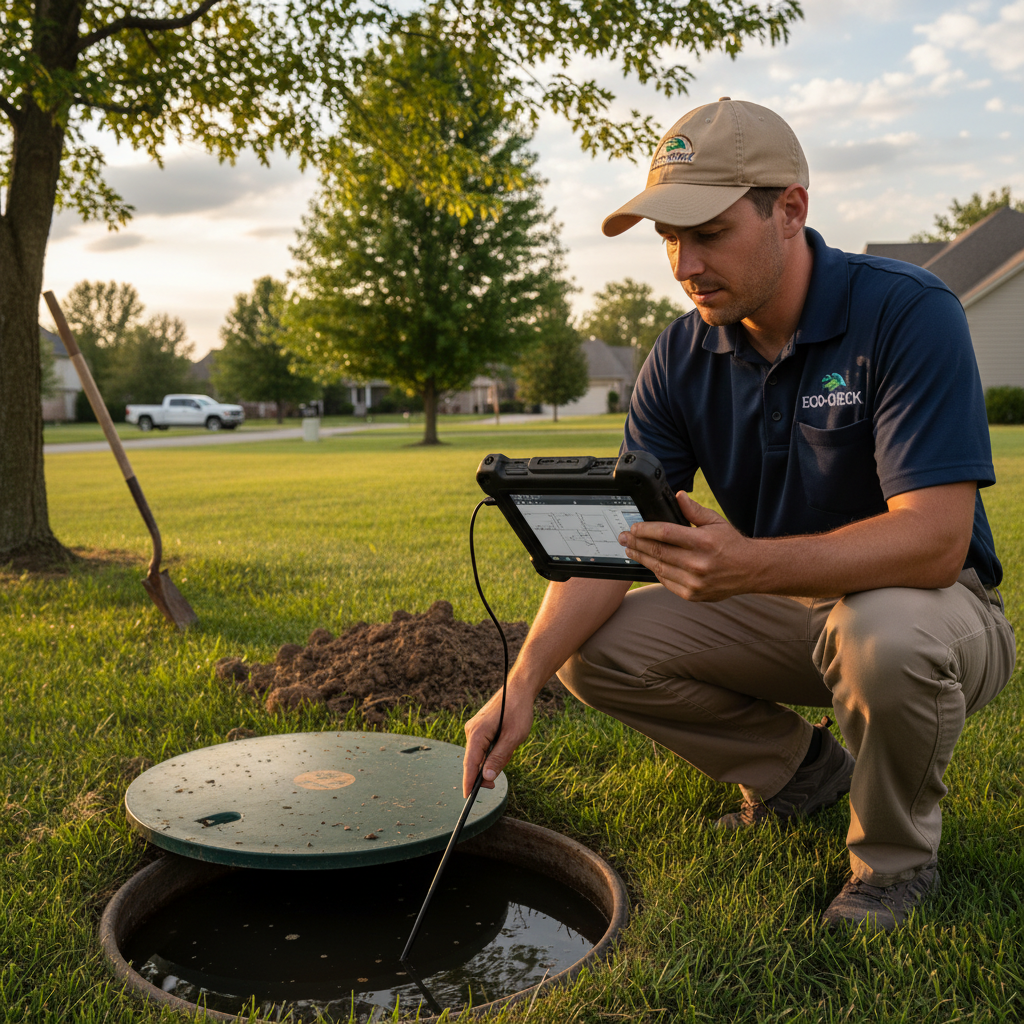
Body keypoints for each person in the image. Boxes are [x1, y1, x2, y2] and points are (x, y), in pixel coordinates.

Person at [462, 97, 1016, 931]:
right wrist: (521, 681)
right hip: (789, 609)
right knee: (589, 648)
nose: (685, 263)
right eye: (669, 239)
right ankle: (800, 774)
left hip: (939, 614)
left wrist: (748, 564)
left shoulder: (905, 310)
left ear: (789, 207)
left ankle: (892, 866)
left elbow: (935, 543)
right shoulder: (680, 353)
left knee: (883, 635)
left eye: (709, 231)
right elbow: (616, 540)